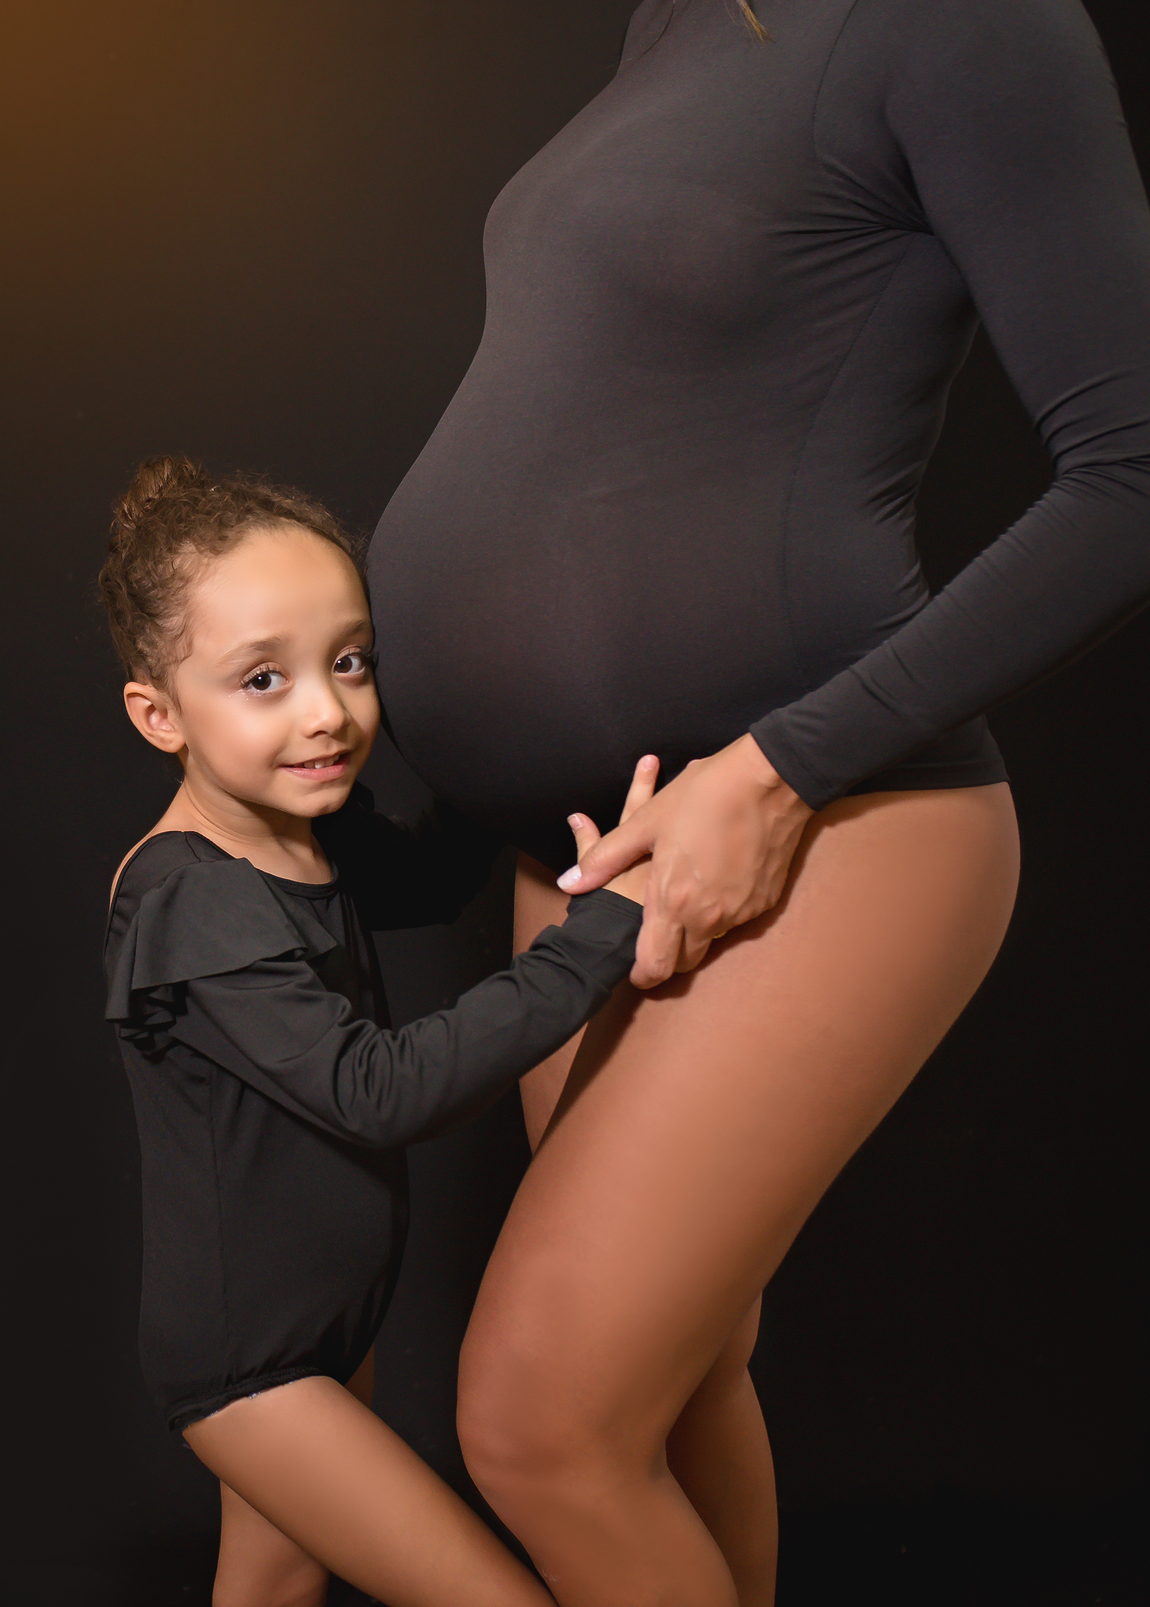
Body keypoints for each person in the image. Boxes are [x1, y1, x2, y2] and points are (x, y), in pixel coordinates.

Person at [365, 1, 1150, 1601]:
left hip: (827, 808)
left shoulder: (970, 18)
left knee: (543, 1422)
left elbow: (1135, 466)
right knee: (665, 1395)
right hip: (584, 847)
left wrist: (788, 764)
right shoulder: (677, 19)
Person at [99, 456, 654, 1607]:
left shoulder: (308, 826)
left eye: (349, 661)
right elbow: (377, 1089)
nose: (328, 712)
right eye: (264, 679)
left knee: (270, 1588)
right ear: (160, 714)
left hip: (322, 1329)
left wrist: (517, 741)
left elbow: (438, 875)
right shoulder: (188, 898)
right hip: (250, 1363)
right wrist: (605, 932)